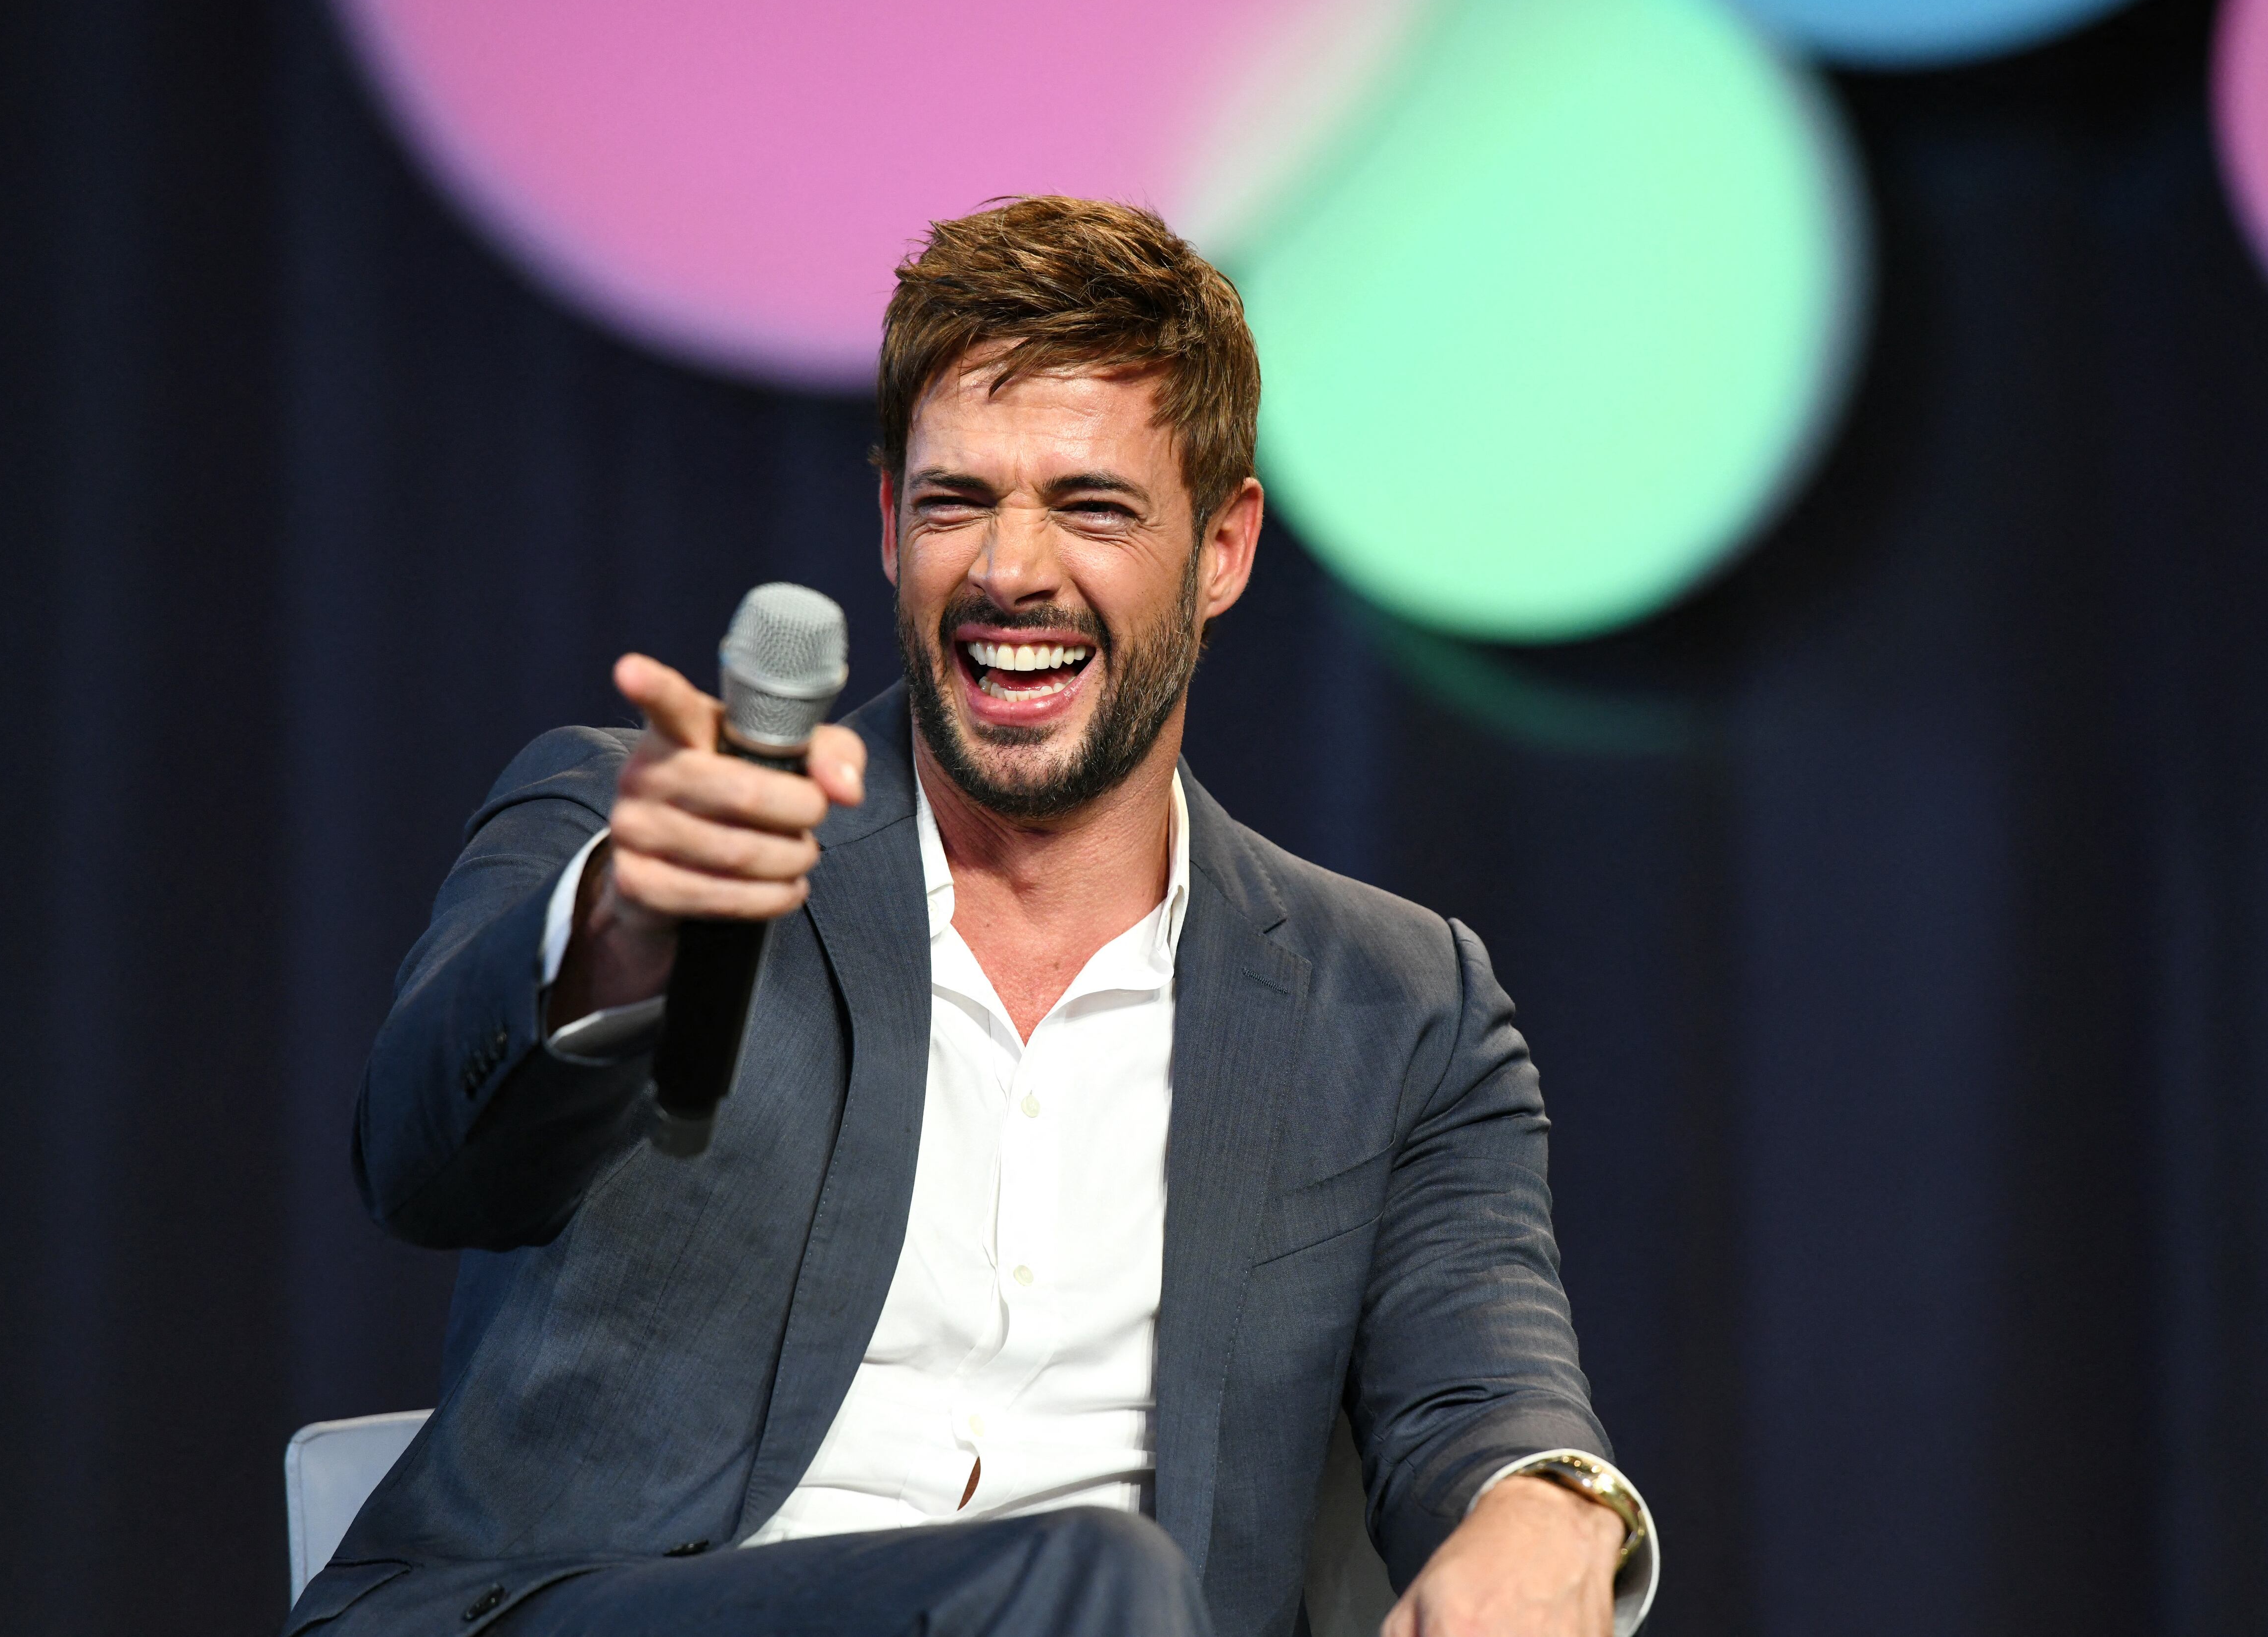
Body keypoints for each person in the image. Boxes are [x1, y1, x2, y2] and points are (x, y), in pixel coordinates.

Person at [291, 196, 1655, 1637]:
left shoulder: (1395, 1009)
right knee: (1093, 1575)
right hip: (594, 1616)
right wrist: (616, 942)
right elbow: (422, 1165)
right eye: (958, 501)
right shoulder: (640, 830)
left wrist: (1549, 1501)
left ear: (1224, 549)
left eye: (1092, 505)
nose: (1011, 570)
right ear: (888, 523)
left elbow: (1484, 1388)